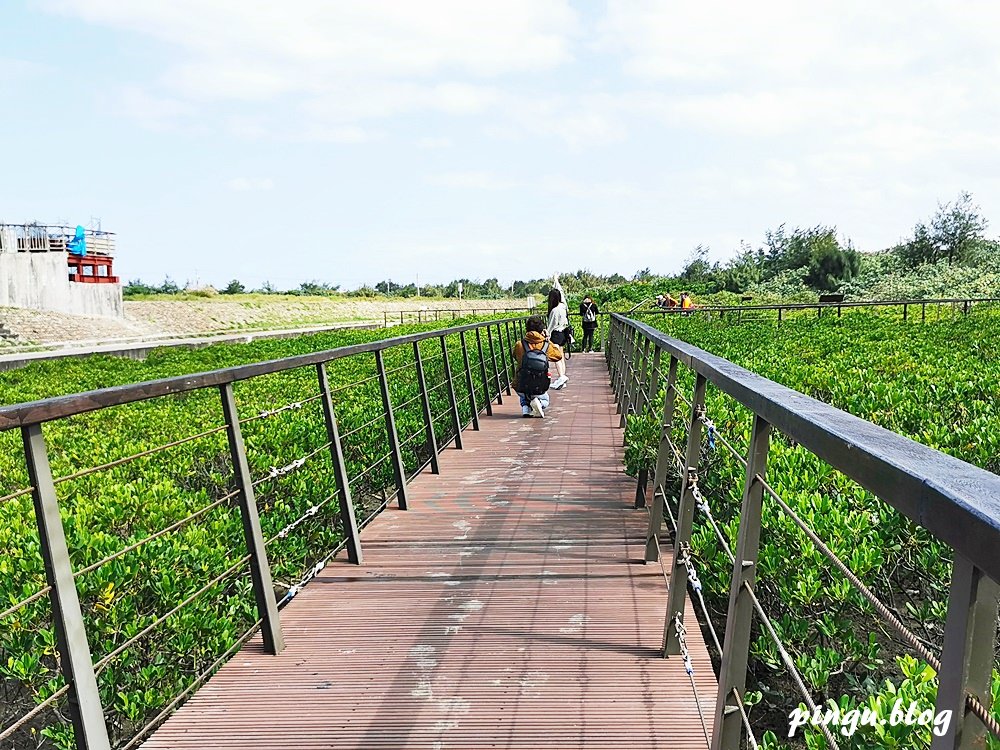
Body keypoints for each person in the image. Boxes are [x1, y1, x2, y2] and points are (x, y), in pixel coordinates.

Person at [512, 315, 563, 418]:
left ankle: (525, 409)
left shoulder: (520, 344)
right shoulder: (546, 345)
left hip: (521, 386)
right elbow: (558, 356)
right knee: (545, 400)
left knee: (522, 380)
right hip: (539, 386)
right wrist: (547, 340)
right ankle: (538, 402)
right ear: (542, 329)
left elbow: (515, 356)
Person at [546, 282, 570, 389]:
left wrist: (547, 334)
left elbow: (551, 325)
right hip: (563, 333)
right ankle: (562, 378)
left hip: (555, 334)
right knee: (561, 356)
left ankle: (561, 377)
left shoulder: (555, 310)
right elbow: (562, 293)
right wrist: (556, 281)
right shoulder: (563, 306)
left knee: (556, 358)